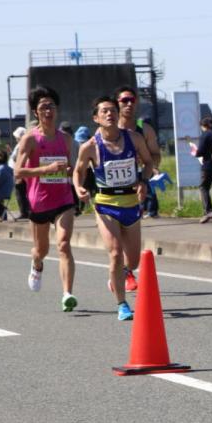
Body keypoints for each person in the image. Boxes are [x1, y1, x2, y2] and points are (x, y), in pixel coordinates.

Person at [73, 96, 155, 321]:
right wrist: (78, 187)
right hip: (106, 204)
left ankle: (120, 275)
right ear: (96, 118)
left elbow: (148, 163)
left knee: (134, 261)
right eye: (105, 111)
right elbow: (78, 171)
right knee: (116, 253)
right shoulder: (89, 147)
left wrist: (144, 181)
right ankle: (122, 305)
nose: (110, 114)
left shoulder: (134, 139)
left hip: (131, 203)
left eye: (113, 110)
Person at [15, 86, 79, 311]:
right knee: (41, 249)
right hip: (39, 202)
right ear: (36, 112)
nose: (48, 111)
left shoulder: (66, 139)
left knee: (63, 244)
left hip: (63, 199)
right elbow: (18, 173)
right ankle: (37, 263)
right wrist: (47, 169)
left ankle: (67, 294)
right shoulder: (29, 140)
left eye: (51, 106)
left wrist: (71, 171)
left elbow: (71, 168)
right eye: (43, 107)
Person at [116, 85, 162, 217]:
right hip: (115, 185)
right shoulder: (110, 129)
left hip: (139, 178)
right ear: (117, 103)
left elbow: (156, 155)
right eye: (125, 100)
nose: (129, 104)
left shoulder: (145, 129)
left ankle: (150, 211)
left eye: (132, 100)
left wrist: (146, 161)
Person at [10, 127, 30, 221]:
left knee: (20, 193)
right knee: (23, 192)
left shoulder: (20, 145)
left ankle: (24, 212)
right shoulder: (22, 144)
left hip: (19, 172)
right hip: (21, 171)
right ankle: (26, 211)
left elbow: (16, 158)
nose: (16, 138)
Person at [0, 149, 14, 221]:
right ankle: (2, 215)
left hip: (1, 192)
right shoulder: (9, 168)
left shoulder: (0, 169)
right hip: (8, 191)